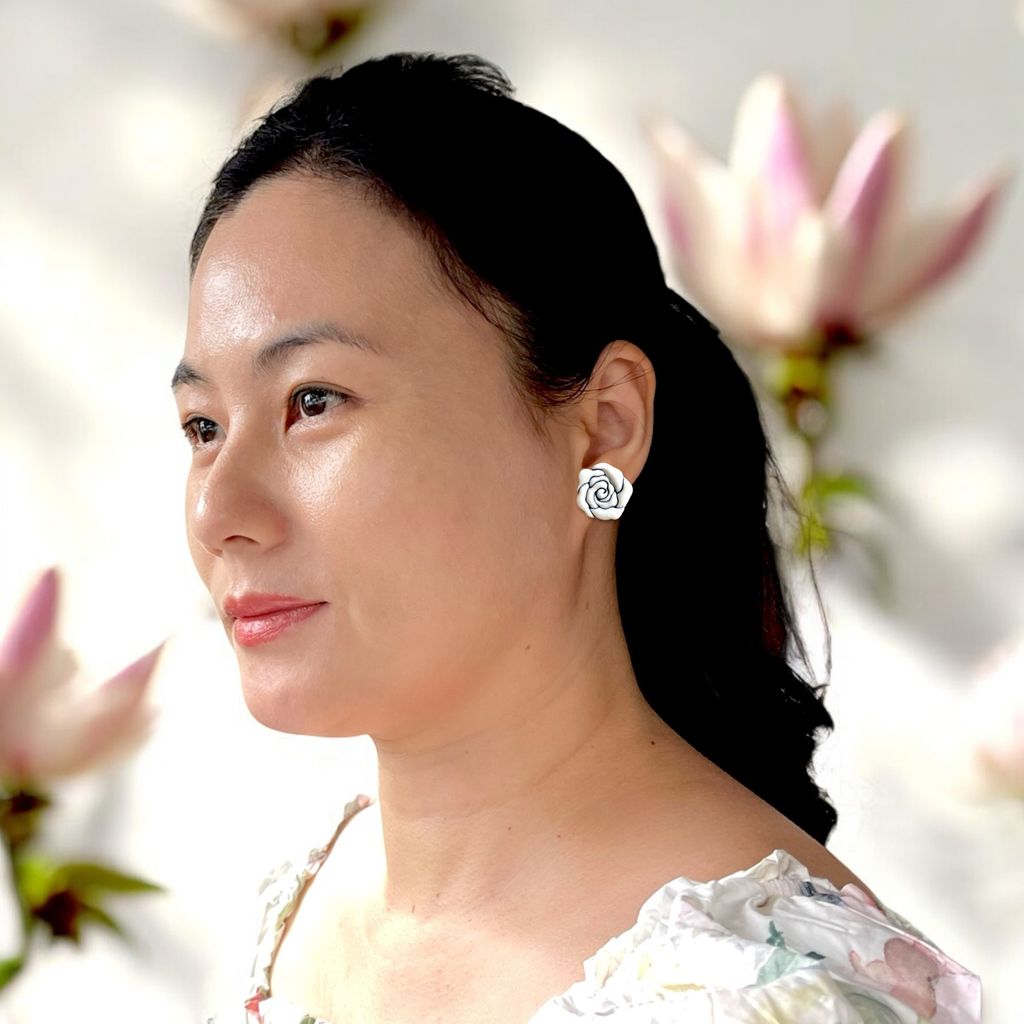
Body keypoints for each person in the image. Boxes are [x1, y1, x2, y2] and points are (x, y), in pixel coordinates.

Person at [178, 51, 981, 1023]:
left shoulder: (765, 997)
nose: (218, 512)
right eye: (203, 426)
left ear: (603, 427)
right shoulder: (310, 900)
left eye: (313, 401)